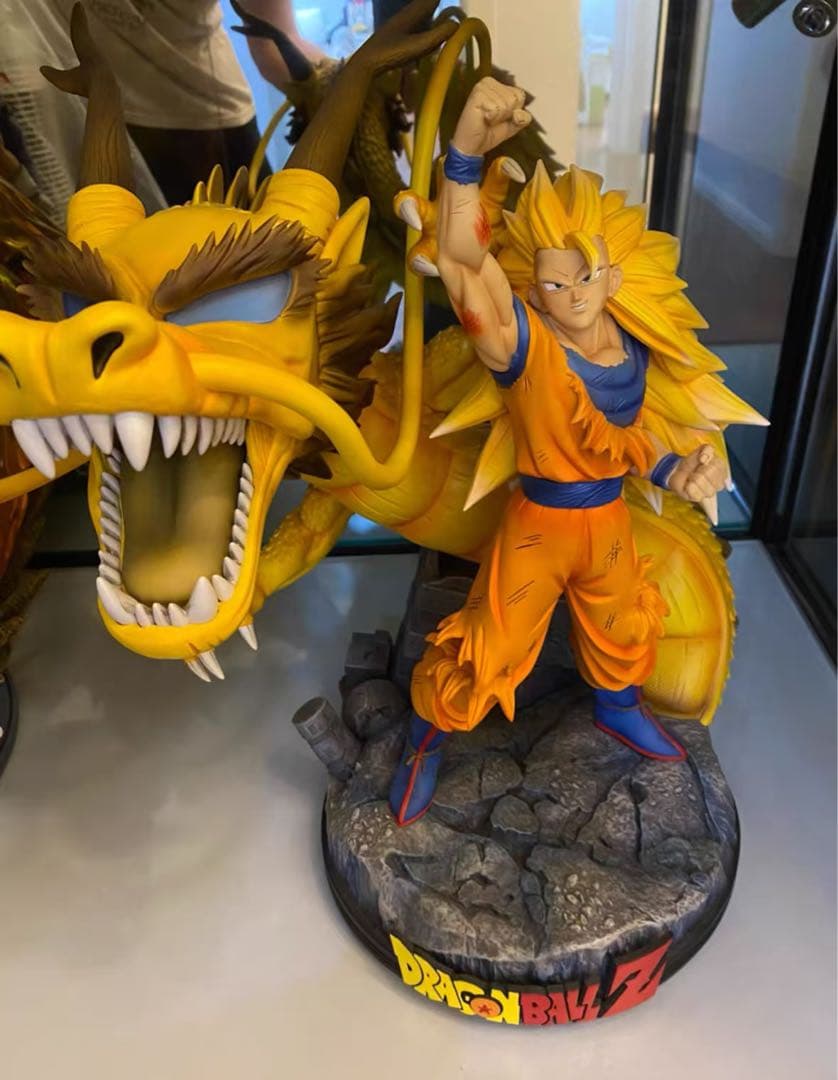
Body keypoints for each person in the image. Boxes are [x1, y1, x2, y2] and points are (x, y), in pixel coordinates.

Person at [389, 77, 729, 826]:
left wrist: (678, 470)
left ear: (612, 275)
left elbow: (629, 442)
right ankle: (423, 740)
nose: (572, 294)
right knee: (487, 648)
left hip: (608, 522)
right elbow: (459, 259)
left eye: (586, 277)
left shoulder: (635, 347)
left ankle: (619, 707)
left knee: (623, 629)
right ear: (535, 288)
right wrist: (464, 154)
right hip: (538, 528)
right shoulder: (522, 344)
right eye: (553, 281)